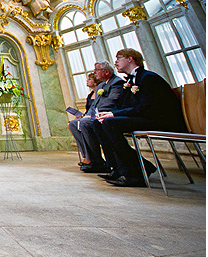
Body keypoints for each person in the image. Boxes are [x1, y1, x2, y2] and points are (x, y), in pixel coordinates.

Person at [90, 49, 187, 187]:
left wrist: (114, 115)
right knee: (98, 123)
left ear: (130, 59)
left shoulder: (148, 78)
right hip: (144, 116)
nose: (116, 61)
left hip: (159, 120)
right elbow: (123, 105)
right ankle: (117, 168)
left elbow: (148, 108)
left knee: (111, 123)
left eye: (119, 58)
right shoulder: (130, 81)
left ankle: (134, 174)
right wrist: (109, 114)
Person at [72, 61, 126, 173]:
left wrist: (91, 116)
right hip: (96, 115)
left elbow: (111, 102)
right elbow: (94, 105)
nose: (94, 72)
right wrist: (87, 115)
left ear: (106, 72)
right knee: (73, 124)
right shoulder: (102, 85)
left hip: (108, 115)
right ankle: (91, 157)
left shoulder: (117, 82)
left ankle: (98, 162)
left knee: (84, 123)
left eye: (97, 70)